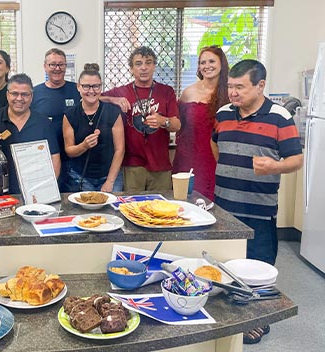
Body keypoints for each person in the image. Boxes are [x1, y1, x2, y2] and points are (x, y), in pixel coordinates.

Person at [211, 59, 303, 345]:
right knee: (226, 266)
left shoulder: (279, 117)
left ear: (261, 85)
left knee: (259, 268)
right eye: (230, 86)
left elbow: (296, 159)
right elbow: (216, 143)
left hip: (259, 211)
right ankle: (234, 318)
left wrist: (274, 167)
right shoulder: (224, 112)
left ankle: (258, 321)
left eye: (240, 87)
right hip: (224, 207)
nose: (233, 93)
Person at [102, 46, 180, 192]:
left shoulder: (166, 91)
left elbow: (177, 125)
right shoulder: (122, 91)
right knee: (132, 207)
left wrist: (163, 121)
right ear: (131, 68)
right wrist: (114, 99)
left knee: (160, 209)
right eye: (138, 64)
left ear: (154, 66)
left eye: (148, 62)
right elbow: (95, 97)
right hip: (132, 164)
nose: (144, 68)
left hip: (160, 164)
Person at [0, 73, 60, 195]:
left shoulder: (43, 122)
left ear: (31, 96)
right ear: (7, 95)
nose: (19, 98)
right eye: (14, 93)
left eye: (24, 94)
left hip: (34, 193)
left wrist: (45, 189)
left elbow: (54, 158)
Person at [172, 46, 230, 200]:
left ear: (221, 64)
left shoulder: (230, 93)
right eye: (202, 62)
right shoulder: (188, 92)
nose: (207, 66)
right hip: (188, 155)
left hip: (216, 156)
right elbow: (178, 124)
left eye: (211, 61)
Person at [63, 63, 124, 192]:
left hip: (110, 176)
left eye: (96, 86)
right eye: (86, 86)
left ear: (101, 87)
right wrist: (84, 145)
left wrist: (110, 181)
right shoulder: (70, 115)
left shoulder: (113, 112)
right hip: (81, 177)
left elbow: (120, 150)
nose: (91, 91)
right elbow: (69, 150)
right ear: (78, 87)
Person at [31, 48, 80, 192]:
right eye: (53, 65)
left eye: (61, 65)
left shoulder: (77, 89)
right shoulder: (35, 93)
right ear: (45, 66)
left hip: (73, 161)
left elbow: (97, 98)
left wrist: (116, 99)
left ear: (66, 66)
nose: (57, 68)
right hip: (45, 160)